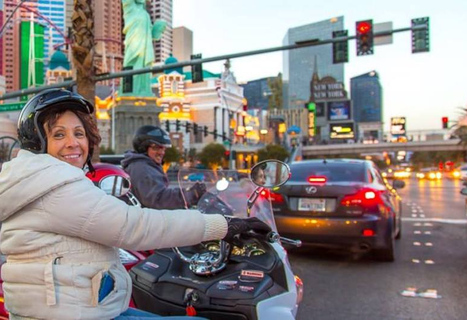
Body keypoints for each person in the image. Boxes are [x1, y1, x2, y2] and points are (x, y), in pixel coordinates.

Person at [0, 88, 271, 320]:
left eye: (79, 133)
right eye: (59, 135)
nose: (73, 143)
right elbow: (135, 226)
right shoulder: (53, 184)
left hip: (64, 307)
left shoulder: (35, 178)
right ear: (37, 142)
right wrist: (223, 225)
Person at [122, 125, 206, 209]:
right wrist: (191, 194)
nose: (161, 152)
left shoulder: (147, 165)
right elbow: (158, 200)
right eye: (156, 148)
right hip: (148, 220)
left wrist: (188, 192)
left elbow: (161, 193)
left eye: (163, 149)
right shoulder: (141, 168)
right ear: (143, 148)